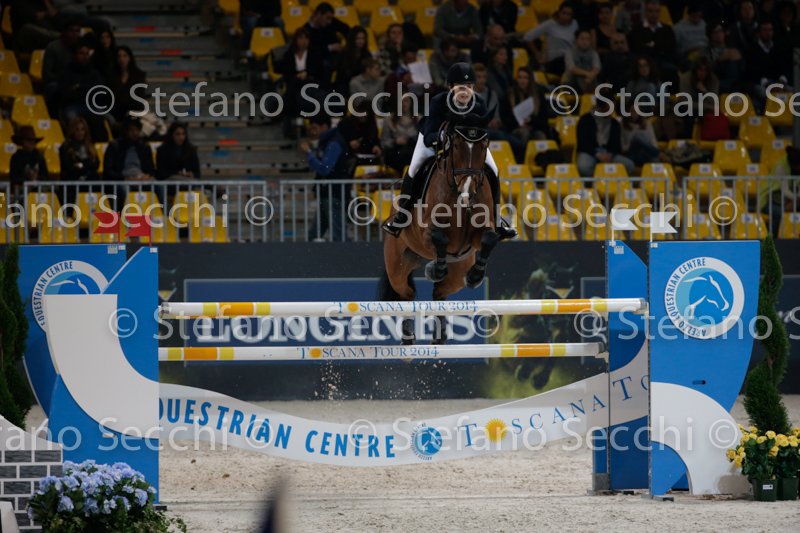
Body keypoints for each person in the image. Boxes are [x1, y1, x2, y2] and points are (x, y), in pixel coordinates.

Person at [381, 63, 516, 240]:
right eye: (460, 87)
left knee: (494, 170)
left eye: (469, 86)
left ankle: (497, 220)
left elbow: (483, 132)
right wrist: (447, 138)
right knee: (414, 169)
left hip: (468, 148)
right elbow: (429, 136)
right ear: (451, 87)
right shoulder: (439, 102)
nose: (465, 91)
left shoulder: (479, 103)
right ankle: (401, 215)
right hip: (433, 141)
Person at [300, 114, 349, 242]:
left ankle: (344, 253)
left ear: (324, 126)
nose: (313, 132)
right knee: (315, 233)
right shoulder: (328, 141)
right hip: (327, 192)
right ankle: (308, 250)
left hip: (334, 193)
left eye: (315, 128)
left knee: (338, 234)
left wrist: (309, 154)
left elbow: (325, 169)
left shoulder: (334, 143)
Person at [276, 28, 326, 138]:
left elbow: (319, 73)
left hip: (311, 85)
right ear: (296, 40)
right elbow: (286, 74)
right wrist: (297, 76)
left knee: (295, 88)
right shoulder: (289, 55)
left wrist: (306, 74)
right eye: (301, 38)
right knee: (295, 83)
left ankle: (282, 109)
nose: (304, 41)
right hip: (295, 86)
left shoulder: (315, 54)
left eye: (306, 38)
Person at [57, 41, 108, 141]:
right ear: (75, 55)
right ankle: (73, 144)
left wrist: (79, 88)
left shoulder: (94, 73)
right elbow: (65, 94)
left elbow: (99, 93)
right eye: (81, 53)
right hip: (72, 106)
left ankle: (100, 145)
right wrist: (87, 90)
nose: (85, 56)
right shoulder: (67, 73)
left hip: (91, 105)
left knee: (102, 117)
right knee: (71, 117)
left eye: (87, 54)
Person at [576, 92, 634, 177]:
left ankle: (613, 182)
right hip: (590, 152)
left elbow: (616, 145)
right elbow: (583, 143)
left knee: (629, 165)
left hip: (608, 153)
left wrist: (610, 154)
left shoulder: (615, 123)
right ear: (602, 106)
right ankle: (600, 180)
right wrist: (597, 154)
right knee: (583, 166)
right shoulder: (585, 120)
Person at [628, 0, 678, 81]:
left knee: (671, 69)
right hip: (644, 62)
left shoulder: (667, 29)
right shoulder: (637, 29)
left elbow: (671, 48)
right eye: (651, 11)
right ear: (645, 12)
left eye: (657, 11)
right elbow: (637, 48)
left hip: (663, 61)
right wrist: (658, 47)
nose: (654, 14)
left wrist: (651, 46)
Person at [523, 2, 578, 76]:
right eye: (563, 13)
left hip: (570, 59)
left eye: (569, 14)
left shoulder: (575, 24)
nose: (565, 16)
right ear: (559, 13)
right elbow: (527, 37)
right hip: (554, 61)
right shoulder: (550, 24)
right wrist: (537, 53)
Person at [760, 145, 800, 235]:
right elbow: (785, 190)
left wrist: (795, 200)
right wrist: (796, 199)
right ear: (794, 165)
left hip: (788, 200)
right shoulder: (780, 167)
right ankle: (772, 238)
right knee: (780, 213)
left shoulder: (796, 166)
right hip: (768, 200)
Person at [103, 117, 155, 182]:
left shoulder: (145, 147)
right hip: (121, 180)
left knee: (157, 183)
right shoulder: (115, 146)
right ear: (125, 131)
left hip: (141, 179)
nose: (134, 133)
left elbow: (151, 170)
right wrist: (124, 178)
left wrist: (147, 176)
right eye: (132, 130)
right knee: (123, 186)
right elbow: (109, 171)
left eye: (137, 130)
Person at [381, 94, 419, 173]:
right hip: (395, 152)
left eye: (406, 101)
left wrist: (410, 141)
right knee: (398, 155)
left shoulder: (419, 119)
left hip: (413, 151)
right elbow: (384, 142)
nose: (404, 104)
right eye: (401, 101)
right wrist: (395, 142)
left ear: (411, 102)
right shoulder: (388, 120)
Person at [109, 45, 147, 123]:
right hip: (116, 112)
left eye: (125, 56)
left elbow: (139, 97)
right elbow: (111, 97)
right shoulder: (111, 76)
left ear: (130, 58)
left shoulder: (139, 75)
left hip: (134, 111)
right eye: (119, 56)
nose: (122, 59)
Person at [9, 125, 49, 194]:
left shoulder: (39, 157)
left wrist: (37, 178)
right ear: (22, 141)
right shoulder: (16, 157)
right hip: (22, 190)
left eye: (33, 140)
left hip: (38, 190)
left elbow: (46, 176)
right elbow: (14, 177)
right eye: (28, 140)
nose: (32, 143)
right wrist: (28, 179)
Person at [59, 117, 99, 182]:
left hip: (89, 178)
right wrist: (87, 164)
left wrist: (81, 165)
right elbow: (69, 167)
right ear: (72, 131)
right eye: (77, 129)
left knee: (95, 176)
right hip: (72, 180)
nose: (80, 132)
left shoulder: (90, 146)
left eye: (82, 129)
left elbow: (96, 164)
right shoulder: (65, 147)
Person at [334, 26, 371, 95]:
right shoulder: (344, 54)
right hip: (346, 85)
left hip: (362, 84)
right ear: (352, 39)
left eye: (363, 38)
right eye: (357, 38)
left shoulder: (367, 54)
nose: (361, 41)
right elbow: (342, 73)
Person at [562, 28, 601, 93]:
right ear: (576, 40)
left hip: (590, 81)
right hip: (573, 82)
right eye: (582, 39)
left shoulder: (594, 53)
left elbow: (596, 68)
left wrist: (590, 77)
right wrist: (587, 74)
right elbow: (572, 69)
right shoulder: (570, 53)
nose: (585, 41)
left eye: (588, 39)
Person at [674, 1, 708, 66]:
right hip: (687, 55)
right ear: (689, 14)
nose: (696, 16)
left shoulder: (705, 25)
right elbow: (676, 49)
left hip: (706, 53)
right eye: (694, 14)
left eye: (698, 15)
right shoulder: (678, 28)